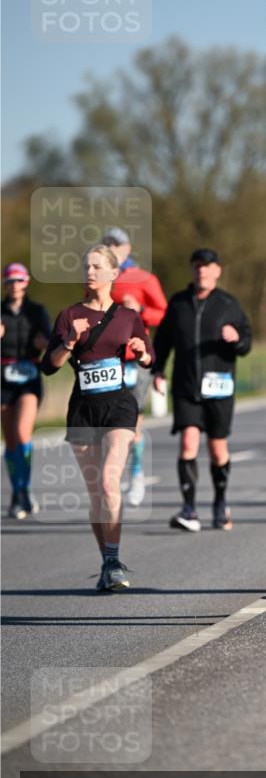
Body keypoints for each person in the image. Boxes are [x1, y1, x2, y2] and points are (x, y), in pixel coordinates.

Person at [42, 245, 153, 590]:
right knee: (95, 494)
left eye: (96, 266)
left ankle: (115, 559)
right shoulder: (69, 315)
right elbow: (49, 365)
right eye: (85, 266)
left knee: (108, 481)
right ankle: (107, 561)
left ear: (112, 274)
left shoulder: (127, 315)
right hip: (83, 409)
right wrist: (70, 342)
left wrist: (142, 353)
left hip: (119, 404)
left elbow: (150, 356)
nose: (89, 272)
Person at [152, 248, 252, 532]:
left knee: (218, 448)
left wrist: (237, 339)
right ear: (192, 269)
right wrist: (158, 369)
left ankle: (220, 503)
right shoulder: (178, 303)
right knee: (187, 443)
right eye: (197, 266)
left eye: (208, 267)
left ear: (217, 271)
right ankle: (189, 509)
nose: (202, 271)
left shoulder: (228, 304)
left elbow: (247, 341)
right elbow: (163, 341)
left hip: (219, 386)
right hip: (186, 386)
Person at [103, 227, 168, 506]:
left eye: (118, 245)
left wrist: (140, 311)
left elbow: (163, 312)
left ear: (128, 248)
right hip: (108, 358)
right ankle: (113, 474)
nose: (114, 249)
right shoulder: (101, 276)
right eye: (109, 244)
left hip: (137, 359)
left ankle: (137, 473)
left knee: (133, 421)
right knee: (110, 422)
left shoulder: (144, 278)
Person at [1, 262, 51, 518]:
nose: (14, 286)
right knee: (9, 441)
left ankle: (25, 488)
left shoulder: (37, 311)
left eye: (19, 281)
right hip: (3, 379)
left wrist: (43, 341)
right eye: (10, 281)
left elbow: (51, 338)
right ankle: (17, 493)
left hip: (29, 377)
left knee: (23, 434)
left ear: (27, 282)